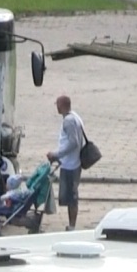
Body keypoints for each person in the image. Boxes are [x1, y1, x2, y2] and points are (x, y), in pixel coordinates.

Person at [46, 95, 85, 231]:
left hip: (70, 164)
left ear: (62, 105)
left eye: (57, 104)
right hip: (73, 162)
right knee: (70, 196)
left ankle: (72, 225)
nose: (56, 107)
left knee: (71, 196)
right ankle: (71, 224)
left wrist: (57, 154)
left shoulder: (68, 121)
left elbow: (73, 143)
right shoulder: (75, 117)